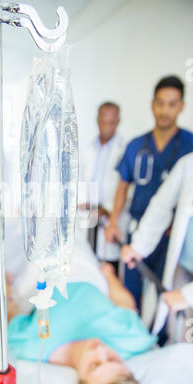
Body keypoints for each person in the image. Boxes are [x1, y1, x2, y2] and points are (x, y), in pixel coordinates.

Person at [7, 239, 156, 384]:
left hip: (32, 261)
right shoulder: (133, 340)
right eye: (114, 359)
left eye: (94, 365)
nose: (100, 350)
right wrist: (109, 275)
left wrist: (5, 282)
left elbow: (10, 305)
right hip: (81, 257)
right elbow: (125, 304)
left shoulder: (32, 346)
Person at [105, 76, 193, 312]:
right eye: (160, 103)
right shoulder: (136, 145)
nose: (165, 110)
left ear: (181, 106)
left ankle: (159, 342)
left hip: (171, 239)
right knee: (131, 292)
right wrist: (113, 222)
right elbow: (126, 187)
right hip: (139, 231)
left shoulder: (190, 146)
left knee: (166, 300)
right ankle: (134, 332)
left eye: (172, 104)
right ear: (152, 104)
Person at [121, 152, 193, 339]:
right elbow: (161, 205)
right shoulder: (188, 163)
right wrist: (139, 246)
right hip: (185, 266)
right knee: (180, 336)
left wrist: (189, 295)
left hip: (188, 288)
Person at [79, 102, 127, 268]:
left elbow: (126, 186)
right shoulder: (87, 148)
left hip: (110, 217)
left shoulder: (124, 150)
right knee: (87, 262)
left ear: (118, 121)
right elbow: (81, 179)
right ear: (97, 119)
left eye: (111, 122)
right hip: (88, 213)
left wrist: (107, 209)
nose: (106, 126)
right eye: (103, 121)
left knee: (108, 266)